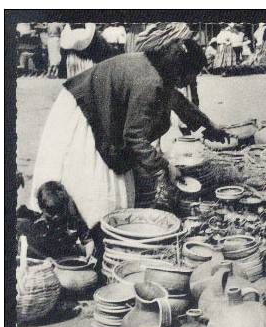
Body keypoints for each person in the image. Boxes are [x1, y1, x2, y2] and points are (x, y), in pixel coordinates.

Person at [29, 36, 229, 230]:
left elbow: (179, 103)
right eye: (191, 75)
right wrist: (164, 166)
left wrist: (210, 129)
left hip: (97, 106)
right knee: (98, 190)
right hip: (83, 111)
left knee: (120, 185)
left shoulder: (159, 70)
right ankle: (81, 229)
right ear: (180, 69)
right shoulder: (150, 83)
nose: (190, 81)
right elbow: (134, 137)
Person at [17, 181, 93, 260]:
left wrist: (88, 256)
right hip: (45, 252)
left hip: (65, 251)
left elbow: (88, 240)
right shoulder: (39, 223)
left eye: (59, 212)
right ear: (42, 209)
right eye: (51, 213)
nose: (56, 216)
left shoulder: (72, 214)